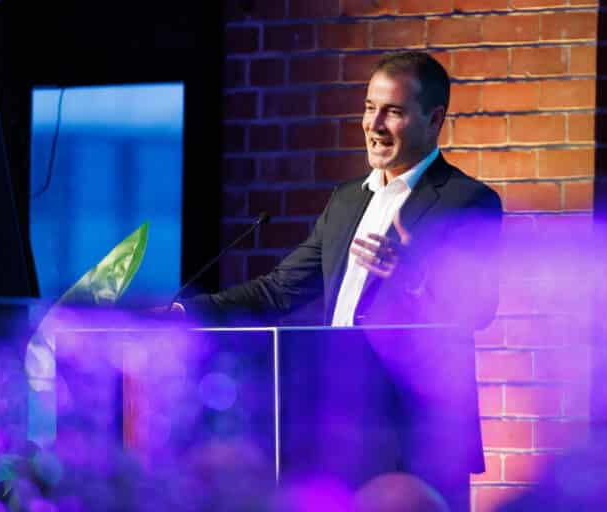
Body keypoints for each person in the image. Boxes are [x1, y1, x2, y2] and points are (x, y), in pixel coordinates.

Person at [178, 51, 502, 511]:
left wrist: (414, 273)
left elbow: (479, 310)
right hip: (342, 426)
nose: (375, 124)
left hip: (419, 435)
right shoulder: (348, 201)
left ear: (434, 119)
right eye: (370, 107)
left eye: (393, 111)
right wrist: (181, 312)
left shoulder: (466, 200)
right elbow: (278, 289)